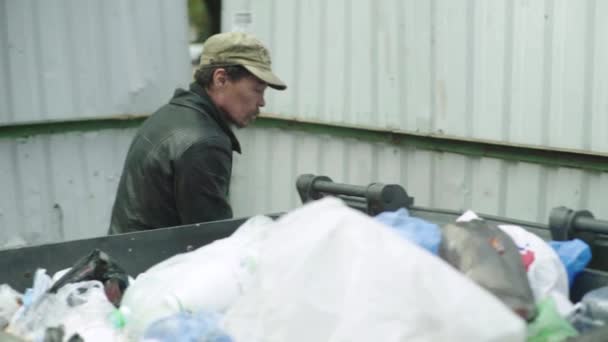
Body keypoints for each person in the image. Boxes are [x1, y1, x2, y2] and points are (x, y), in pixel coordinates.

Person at [108, 32, 286, 234]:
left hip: (130, 257)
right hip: (157, 263)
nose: (262, 102)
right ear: (221, 79)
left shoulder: (170, 114)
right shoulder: (205, 143)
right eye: (257, 89)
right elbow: (211, 242)